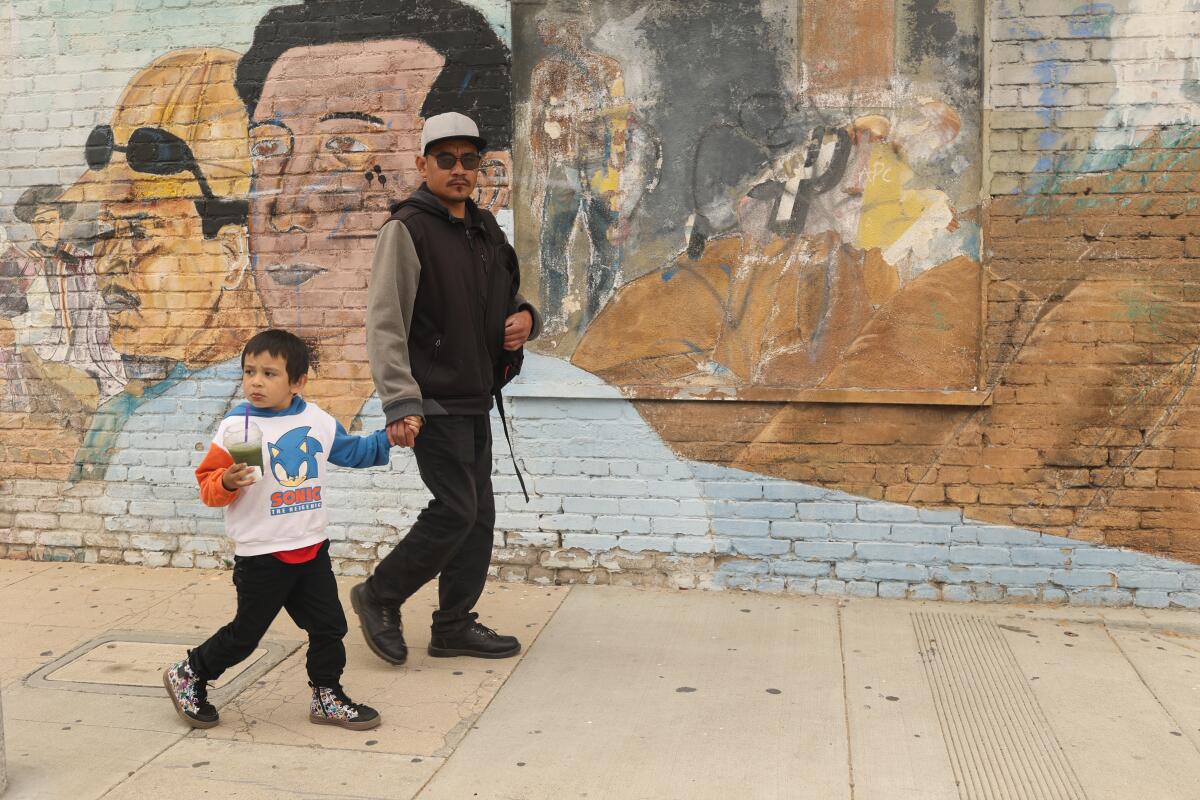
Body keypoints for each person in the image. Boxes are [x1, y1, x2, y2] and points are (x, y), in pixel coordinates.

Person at [234, 0, 514, 426]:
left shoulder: (454, 403)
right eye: (268, 148)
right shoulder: (183, 424)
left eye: (345, 147)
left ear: (485, 184)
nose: (286, 209)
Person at [350, 112, 541, 665]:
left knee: (479, 515)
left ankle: (453, 624)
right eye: (446, 159)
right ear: (422, 165)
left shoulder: (484, 229)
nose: (459, 170)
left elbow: (509, 296)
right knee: (456, 510)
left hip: (475, 394)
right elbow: (385, 323)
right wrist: (401, 402)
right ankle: (379, 595)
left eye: (469, 160)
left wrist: (527, 318)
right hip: (431, 400)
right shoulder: (406, 230)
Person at [163, 329, 392, 731]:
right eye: (249, 371)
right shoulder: (238, 427)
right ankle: (190, 672)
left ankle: (327, 697)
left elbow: (354, 452)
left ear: (297, 381)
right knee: (244, 636)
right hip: (261, 554)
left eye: (269, 373)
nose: (255, 381)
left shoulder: (316, 420)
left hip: (310, 548)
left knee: (329, 627)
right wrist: (228, 482)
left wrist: (390, 437)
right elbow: (208, 487)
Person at [65, 48, 268, 482]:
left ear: (232, 255)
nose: (109, 264)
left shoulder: (275, 414)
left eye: (140, 233)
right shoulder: (120, 416)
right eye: (106, 232)